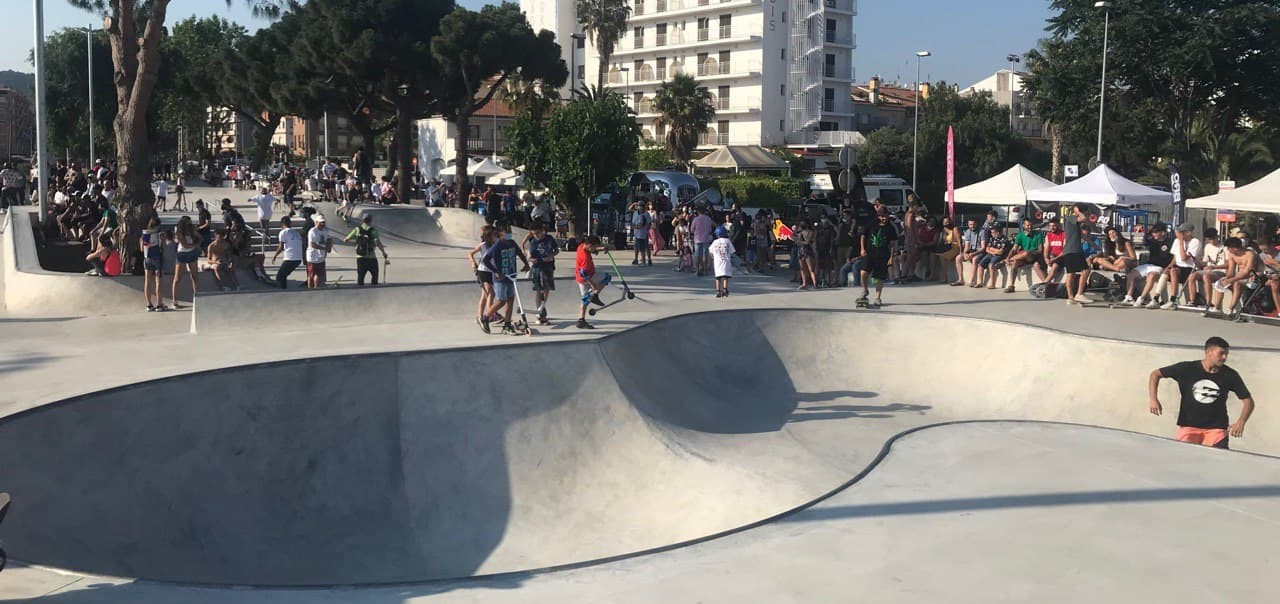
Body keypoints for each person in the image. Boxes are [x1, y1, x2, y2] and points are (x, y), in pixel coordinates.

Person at [1148, 337, 1254, 449]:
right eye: (1221, 353)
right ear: (1208, 352)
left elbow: (1248, 402)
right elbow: (1155, 374)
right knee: (1185, 459)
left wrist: (1241, 421)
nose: (1224, 358)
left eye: (1226, 354)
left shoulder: (1230, 375)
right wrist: (1153, 399)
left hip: (1216, 428)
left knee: (1218, 460)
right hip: (1188, 426)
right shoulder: (1187, 368)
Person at [481, 225, 531, 335]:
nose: (509, 233)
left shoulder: (512, 242)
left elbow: (520, 253)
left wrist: (526, 264)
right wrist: (496, 271)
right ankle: (485, 317)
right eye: (506, 231)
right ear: (500, 233)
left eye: (510, 231)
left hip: (511, 275)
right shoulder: (498, 244)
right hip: (500, 278)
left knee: (510, 300)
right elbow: (486, 260)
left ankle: (507, 325)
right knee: (501, 301)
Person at [1123, 223, 1173, 307]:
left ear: (1163, 232)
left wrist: (1168, 267)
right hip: (1149, 265)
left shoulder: (1170, 242)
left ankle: (1141, 298)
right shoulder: (1152, 241)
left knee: (1151, 276)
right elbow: (1143, 238)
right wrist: (1143, 230)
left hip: (1160, 267)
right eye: (1153, 232)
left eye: (1156, 232)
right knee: (1131, 274)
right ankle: (1129, 297)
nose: (1154, 234)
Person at [858, 208, 897, 307]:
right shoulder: (872, 224)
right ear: (878, 216)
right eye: (882, 216)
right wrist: (862, 249)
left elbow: (893, 244)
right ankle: (865, 289)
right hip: (870, 253)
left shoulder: (890, 228)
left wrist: (891, 257)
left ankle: (878, 297)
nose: (884, 218)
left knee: (879, 277)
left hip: (883, 255)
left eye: (886, 216)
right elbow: (863, 236)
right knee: (863, 272)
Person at [1159, 222, 1203, 309]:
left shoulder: (1195, 242)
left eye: (1181, 233)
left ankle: (1174, 299)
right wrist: (1169, 266)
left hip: (1189, 268)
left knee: (1173, 271)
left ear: (1188, 232)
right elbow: (1175, 257)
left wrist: (1181, 243)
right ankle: (1165, 298)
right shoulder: (1176, 241)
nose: (1178, 235)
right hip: (1178, 267)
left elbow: (1183, 258)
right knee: (1167, 272)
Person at [1057, 203, 1094, 304]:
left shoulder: (1075, 224)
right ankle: (1079, 294)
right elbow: (1083, 218)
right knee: (1086, 269)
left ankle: (1071, 298)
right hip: (1073, 250)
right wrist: (1078, 210)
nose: (1086, 215)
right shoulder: (1070, 218)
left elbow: (1084, 237)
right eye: (1085, 212)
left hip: (1071, 251)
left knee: (1071, 274)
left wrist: (1096, 246)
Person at [1210, 237, 1259, 313]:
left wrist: (1232, 279)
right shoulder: (1232, 254)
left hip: (1251, 277)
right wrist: (1227, 278)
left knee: (1237, 284)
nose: (1227, 250)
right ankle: (1217, 308)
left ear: (1234, 248)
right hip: (1239, 276)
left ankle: (1231, 308)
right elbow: (1231, 270)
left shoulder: (1250, 254)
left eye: (1228, 248)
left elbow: (1247, 271)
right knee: (1220, 283)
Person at [523, 222, 559, 325]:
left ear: (542, 231)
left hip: (548, 266)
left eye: (537, 233)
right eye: (534, 234)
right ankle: (540, 312)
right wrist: (531, 259)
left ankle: (542, 308)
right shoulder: (533, 242)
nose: (536, 236)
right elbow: (530, 256)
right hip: (537, 267)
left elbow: (556, 250)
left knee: (546, 289)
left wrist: (551, 255)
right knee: (539, 290)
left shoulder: (549, 239)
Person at [575, 235, 611, 329]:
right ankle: (595, 296)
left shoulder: (581, 246)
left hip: (580, 279)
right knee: (607, 277)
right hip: (587, 278)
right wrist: (593, 285)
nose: (594, 249)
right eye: (594, 247)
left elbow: (590, 248)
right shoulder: (585, 258)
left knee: (585, 299)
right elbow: (584, 273)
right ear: (590, 245)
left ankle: (581, 320)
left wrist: (601, 248)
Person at [343, 214, 389, 286]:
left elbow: (346, 239)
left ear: (363, 220)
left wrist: (357, 241)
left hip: (360, 257)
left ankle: (360, 292)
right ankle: (374, 290)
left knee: (360, 277)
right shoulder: (372, 230)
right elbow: (377, 242)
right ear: (370, 220)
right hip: (371, 257)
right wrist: (383, 252)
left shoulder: (357, 229)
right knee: (374, 275)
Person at [1003, 218, 1044, 293]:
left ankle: (1004, 261)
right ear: (1023, 226)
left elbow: (1040, 250)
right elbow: (1014, 249)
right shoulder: (1020, 235)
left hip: (1034, 256)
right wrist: (1008, 257)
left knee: (1026, 253)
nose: (1030, 227)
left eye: (1031, 225)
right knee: (1015, 262)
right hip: (1024, 258)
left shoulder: (1038, 234)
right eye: (1028, 225)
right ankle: (1011, 285)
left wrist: (1030, 252)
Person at [469, 226, 498, 327]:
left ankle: (480, 315)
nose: (496, 237)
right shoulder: (483, 245)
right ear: (488, 236)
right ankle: (490, 315)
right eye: (494, 235)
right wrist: (473, 263)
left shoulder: (496, 245)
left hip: (492, 271)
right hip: (483, 271)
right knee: (491, 292)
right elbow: (470, 253)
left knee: (484, 296)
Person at [170, 216, 201, 308]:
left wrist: (196, 239)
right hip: (182, 253)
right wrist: (194, 245)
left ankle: (197, 297)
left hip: (192, 253)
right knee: (177, 278)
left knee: (194, 276)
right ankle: (175, 300)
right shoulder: (179, 231)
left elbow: (199, 237)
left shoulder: (191, 229)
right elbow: (185, 244)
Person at [140, 217, 167, 310]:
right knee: (158, 281)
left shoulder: (145, 234)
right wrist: (163, 240)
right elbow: (164, 247)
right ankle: (159, 304)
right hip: (157, 257)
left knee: (148, 281)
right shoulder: (160, 234)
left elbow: (141, 248)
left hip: (147, 257)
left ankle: (149, 304)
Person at [272, 215, 305, 289]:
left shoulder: (283, 232)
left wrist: (275, 256)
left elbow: (281, 246)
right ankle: (284, 290)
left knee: (279, 276)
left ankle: (283, 293)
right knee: (283, 275)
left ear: (282, 224)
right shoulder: (296, 233)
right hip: (298, 259)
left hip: (290, 258)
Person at [974, 224, 1010, 289]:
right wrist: (993, 251)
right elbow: (987, 249)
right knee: (980, 265)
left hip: (1000, 256)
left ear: (998, 232)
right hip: (990, 254)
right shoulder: (992, 238)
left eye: (993, 232)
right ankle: (980, 282)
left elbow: (1000, 252)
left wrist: (992, 249)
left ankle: (992, 284)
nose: (992, 234)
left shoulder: (1004, 239)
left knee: (991, 265)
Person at [952, 218, 986, 287]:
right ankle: (960, 280)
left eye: (974, 224)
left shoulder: (982, 232)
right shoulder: (967, 231)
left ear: (977, 224)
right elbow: (967, 245)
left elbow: (983, 247)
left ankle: (972, 281)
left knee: (975, 259)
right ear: (968, 224)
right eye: (970, 224)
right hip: (970, 251)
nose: (972, 226)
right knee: (958, 258)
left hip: (979, 251)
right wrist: (965, 253)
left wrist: (973, 254)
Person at [306, 213, 332, 288]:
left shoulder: (325, 231)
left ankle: (317, 287)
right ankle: (310, 288)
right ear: (316, 222)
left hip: (321, 257)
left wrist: (329, 247)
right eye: (321, 222)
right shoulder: (313, 231)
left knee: (319, 274)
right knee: (311, 275)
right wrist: (324, 249)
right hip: (312, 256)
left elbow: (329, 239)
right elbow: (312, 244)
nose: (322, 224)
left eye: (323, 222)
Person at [709, 225, 736, 297]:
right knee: (725, 276)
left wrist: (713, 258)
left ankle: (718, 291)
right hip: (726, 261)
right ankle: (725, 289)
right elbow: (732, 251)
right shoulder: (727, 241)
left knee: (718, 277)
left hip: (717, 262)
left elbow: (710, 251)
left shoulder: (715, 242)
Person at [690, 207, 715, 276]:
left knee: (697, 255)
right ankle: (704, 270)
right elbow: (710, 230)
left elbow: (692, 230)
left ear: (698, 211)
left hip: (697, 239)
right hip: (706, 239)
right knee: (705, 255)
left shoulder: (696, 219)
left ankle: (697, 270)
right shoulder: (708, 219)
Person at [630, 200, 652, 266]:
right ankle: (636, 259)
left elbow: (648, 223)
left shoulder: (645, 214)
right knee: (636, 246)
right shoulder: (635, 213)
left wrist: (647, 230)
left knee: (644, 247)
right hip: (636, 233)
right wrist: (634, 203)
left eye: (641, 206)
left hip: (643, 233)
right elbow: (630, 209)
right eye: (639, 206)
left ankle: (646, 260)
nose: (640, 207)